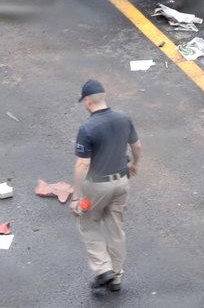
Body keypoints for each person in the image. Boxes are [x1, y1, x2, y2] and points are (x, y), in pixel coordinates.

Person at [68, 79, 143, 295]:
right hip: (122, 183)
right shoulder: (123, 117)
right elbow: (137, 145)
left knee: (88, 223)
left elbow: (83, 164)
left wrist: (76, 196)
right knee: (116, 229)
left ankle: (103, 270)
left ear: (88, 101)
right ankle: (117, 277)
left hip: (97, 187)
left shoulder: (88, 128)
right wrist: (135, 164)